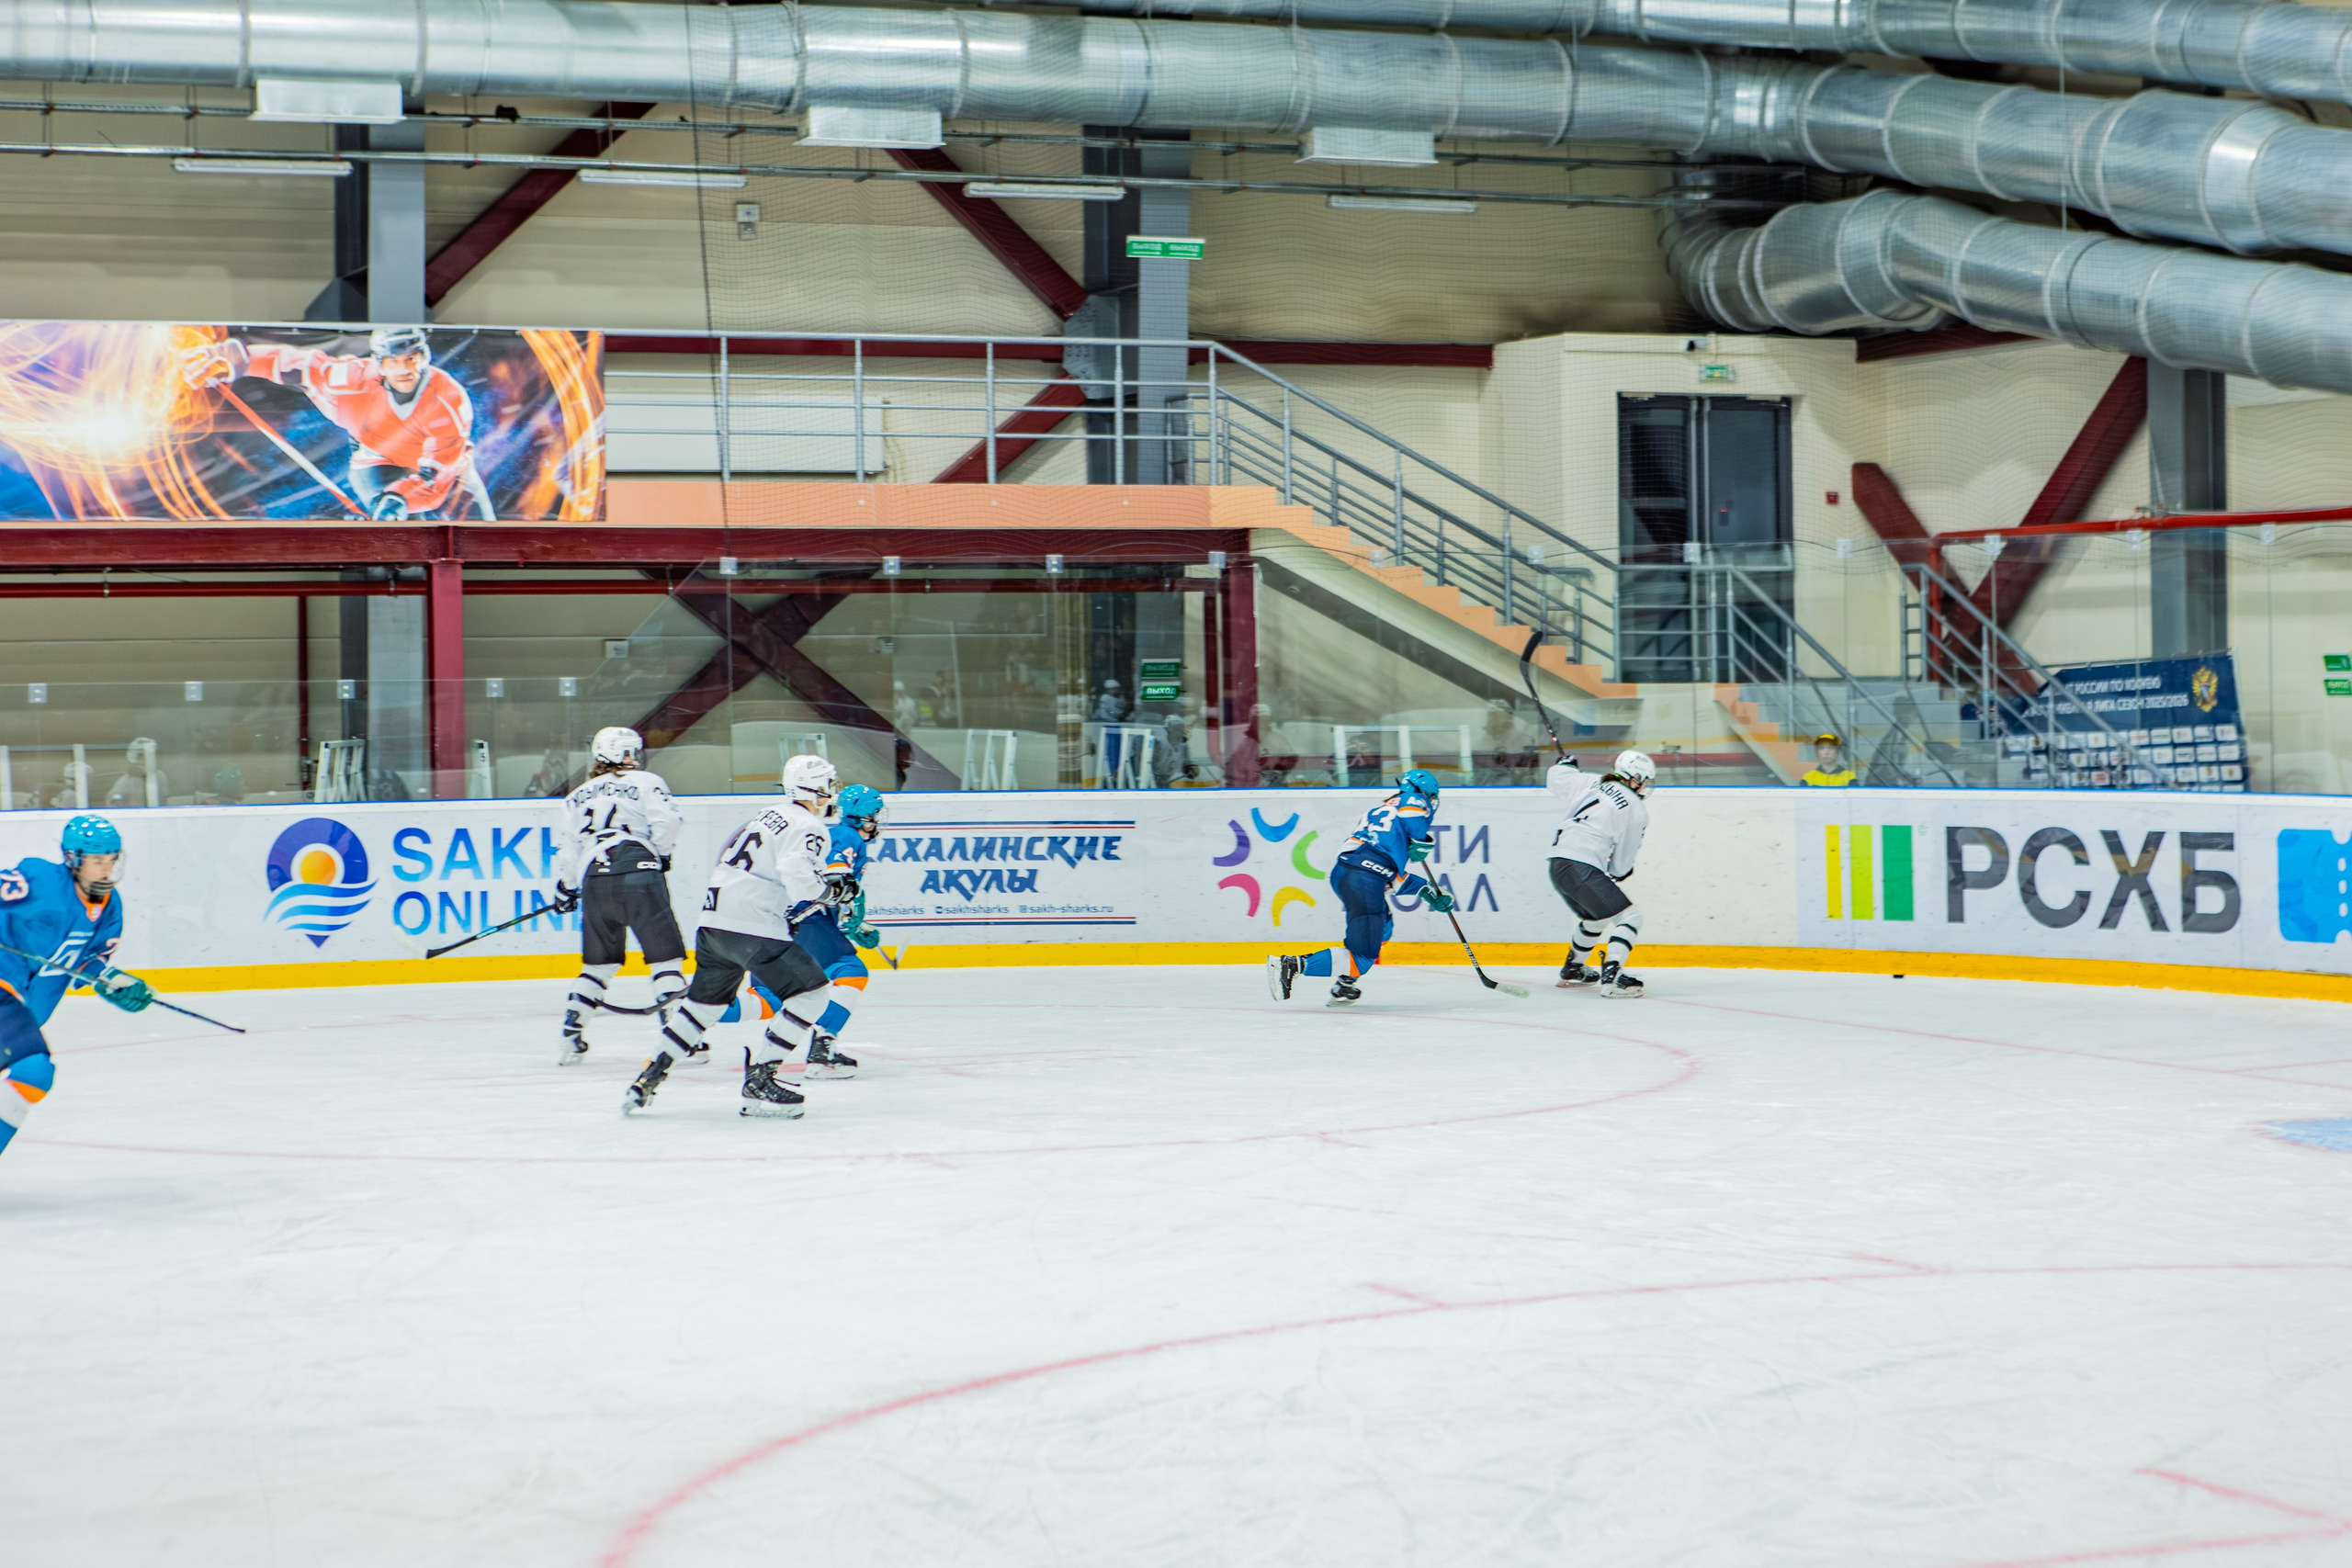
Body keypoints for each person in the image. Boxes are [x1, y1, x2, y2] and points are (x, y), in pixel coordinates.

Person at [624, 753, 847, 1119]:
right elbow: (799, 880)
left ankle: (648, 1077)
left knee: (701, 1010)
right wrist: (832, 892)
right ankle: (762, 1078)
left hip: (714, 925)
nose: (831, 794)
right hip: (751, 925)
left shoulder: (765, 816)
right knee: (813, 995)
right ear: (816, 789)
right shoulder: (810, 826)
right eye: (828, 786)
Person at [179, 326, 496, 521]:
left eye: (412, 359)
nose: (404, 370)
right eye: (394, 362)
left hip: (444, 470)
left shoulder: (448, 400)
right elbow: (303, 366)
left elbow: (436, 472)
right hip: (375, 455)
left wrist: (399, 496)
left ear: (423, 358)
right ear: (379, 364)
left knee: (482, 532)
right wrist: (236, 358)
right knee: (388, 521)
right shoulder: (354, 380)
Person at [0, 816, 154, 1161]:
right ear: (73, 859)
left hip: (19, 1006)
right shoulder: (39, 880)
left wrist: (111, 982)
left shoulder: (109, 907)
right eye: (97, 860)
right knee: (33, 1071)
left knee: (32, 1075)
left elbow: (87, 961)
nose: (106, 868)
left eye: (112, 859)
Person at [723, 783, 886, 1077]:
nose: (878, 821)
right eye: (875, 814)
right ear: (863, 818)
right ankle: (822, 1051)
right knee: (851, 970)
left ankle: (691, 1012)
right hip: (807, 921)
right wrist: (854, 908)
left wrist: (855, 923)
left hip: (778, 920)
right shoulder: (849, 836)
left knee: (767, 1000)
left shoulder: (829, 833)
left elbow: (825, 889)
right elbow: (837, 876)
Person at [551, 726, 686, 1066]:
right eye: (628, 752)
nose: (634, 758)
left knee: (599, 965)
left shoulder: (576, 796)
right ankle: (680, 1038)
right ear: (611, 754)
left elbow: (568, 850)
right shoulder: (648, 782)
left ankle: (571, 1032)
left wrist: (566, 887)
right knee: (666, 962)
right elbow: (666, 823)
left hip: (595, 880)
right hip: (639, 872)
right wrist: (663, 854)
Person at [1266, 768, 1456, 1008]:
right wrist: (1420, 839)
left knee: (1384, 927)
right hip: (1364, 877)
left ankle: (1345, 983)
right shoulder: (1411, 800)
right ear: (1423, 793)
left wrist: (1426, 890)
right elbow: (1411, 811)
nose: (1430, 803)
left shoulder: (1382, 812)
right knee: (1363, 958)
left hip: (1350, 873)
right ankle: (1291, 965)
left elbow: (1386, 872)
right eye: (1430, 797)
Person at [1546, 750, 1655, 998]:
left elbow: (1556, 777)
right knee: (1630, 917)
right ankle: (1613, 976)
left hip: (1557, 863)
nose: (1644, 787)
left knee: (1597, 918)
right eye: (1644, 781)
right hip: (1583, 865)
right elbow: (1620, 867)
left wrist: (1566, 765)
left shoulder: (1592, 781)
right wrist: (1623, 871)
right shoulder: (1635, 807)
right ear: (1634, 777)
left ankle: (1573, 969)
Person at [103, 738, 165, 807]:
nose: (143, 762)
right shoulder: (124, 784)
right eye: (139, 757)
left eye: (147, 757)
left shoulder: (160, 776)